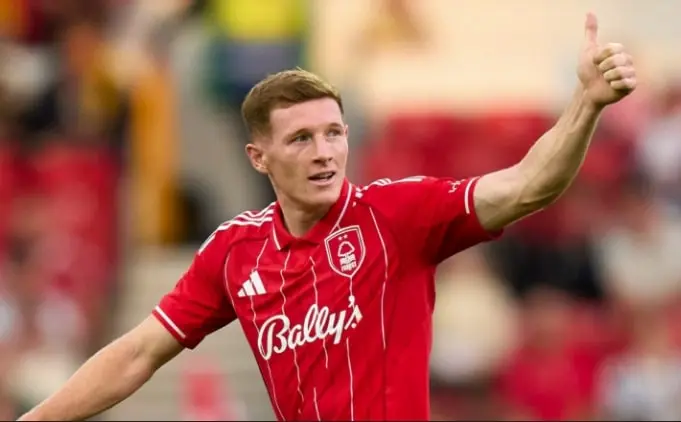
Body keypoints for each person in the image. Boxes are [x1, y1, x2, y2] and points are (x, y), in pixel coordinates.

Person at [17, 13, 636, 422]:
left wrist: (585, 105)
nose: (324, 153)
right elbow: (137, 353)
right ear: (258, 157)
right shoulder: (234, 252)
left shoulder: (397, 215)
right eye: (301, 139)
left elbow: (528, 186)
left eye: (333, 133)